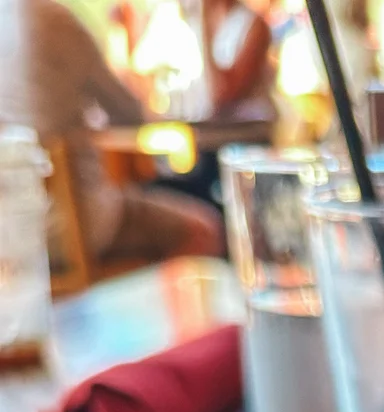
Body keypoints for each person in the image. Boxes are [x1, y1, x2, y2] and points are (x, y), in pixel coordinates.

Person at [0, 0, 224, 266]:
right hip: (73, 219)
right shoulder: (58, 19)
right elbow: (129, 113)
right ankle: (147, 293)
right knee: (204, 229)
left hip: (13, 227)